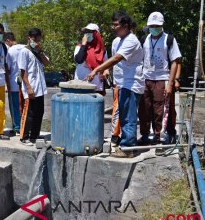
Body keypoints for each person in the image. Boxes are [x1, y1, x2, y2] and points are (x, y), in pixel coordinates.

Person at [87, 11, 145, 158]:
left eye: (116, 24)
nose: (113, 27)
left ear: (125, 25)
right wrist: (106, 70)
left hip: (132, 83)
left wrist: (97, 69)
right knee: (123, 115)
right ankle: (126, 143)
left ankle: (128, 148)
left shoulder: (131, 40)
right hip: (121, 83)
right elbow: (113, 61)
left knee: (129, 117)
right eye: (112, 24)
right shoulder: (116, 41)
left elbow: (117, 58)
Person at [138, 12, 181, 153]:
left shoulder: (169, 39)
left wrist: (170, 83)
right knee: (144, 109)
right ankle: (145, 136)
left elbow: (175, 61)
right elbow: (139, 59)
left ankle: (159, 138)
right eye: (151, 26)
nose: (154, 28)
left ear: (162, 25)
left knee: (160, 110)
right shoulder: (144, 39)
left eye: (157, 26)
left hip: (162, 78)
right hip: (146, 78)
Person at [19, 28, 50, 146]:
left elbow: (47, 63)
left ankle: (34, 135)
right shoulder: (24, 51)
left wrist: (40, 51)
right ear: (29, 39)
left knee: (39, 112)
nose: (36, 42)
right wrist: (28, 87)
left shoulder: (38, 52)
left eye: (38, 40)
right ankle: (24, 136)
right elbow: (23, 71)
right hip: (31, 87)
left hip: (40, 88)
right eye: (34, 39)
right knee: (29, 113)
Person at [74, 23, 107, 95]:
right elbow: (79, 60)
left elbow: (106, 66)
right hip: (80, 85)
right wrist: (83, 45)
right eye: (85, 32)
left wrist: (105, 72)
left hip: (96, 86)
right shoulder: (79, 47)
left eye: (89, 32)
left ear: (96, 34)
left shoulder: (102, 50)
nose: (87, 34)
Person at [4, 32, 25, 135]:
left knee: (15, 107)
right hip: (25, 84)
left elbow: (7, 70)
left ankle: (17, 127)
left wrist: (7, 84)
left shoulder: (10, 51)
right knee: (24, 107)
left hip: (13, 84)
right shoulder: (25, 48)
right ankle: (25, 126)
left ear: (8, 41)